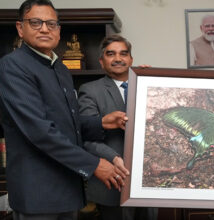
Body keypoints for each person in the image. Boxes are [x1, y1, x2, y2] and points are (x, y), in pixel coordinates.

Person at [0, 0, 129, 219]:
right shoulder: (13, 66)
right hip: (38, 195)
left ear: (59, 31)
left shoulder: (60, 68)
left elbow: (69, 123)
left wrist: (102, 122)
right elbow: (40, 131)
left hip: (68, 188)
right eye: (35, 22)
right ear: (20, 28)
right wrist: (95, 164)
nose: (44, 28)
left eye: (51, 23)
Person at [78, 35, 158, 220]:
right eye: (111, 54)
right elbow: (86, 137)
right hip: (113, 180)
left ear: (131, 59)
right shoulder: (90, 90)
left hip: (149, 180)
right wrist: (113, 158)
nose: (118, 58)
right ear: (101, 61)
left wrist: (154, 81)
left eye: (124, 53)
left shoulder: (148, 85)